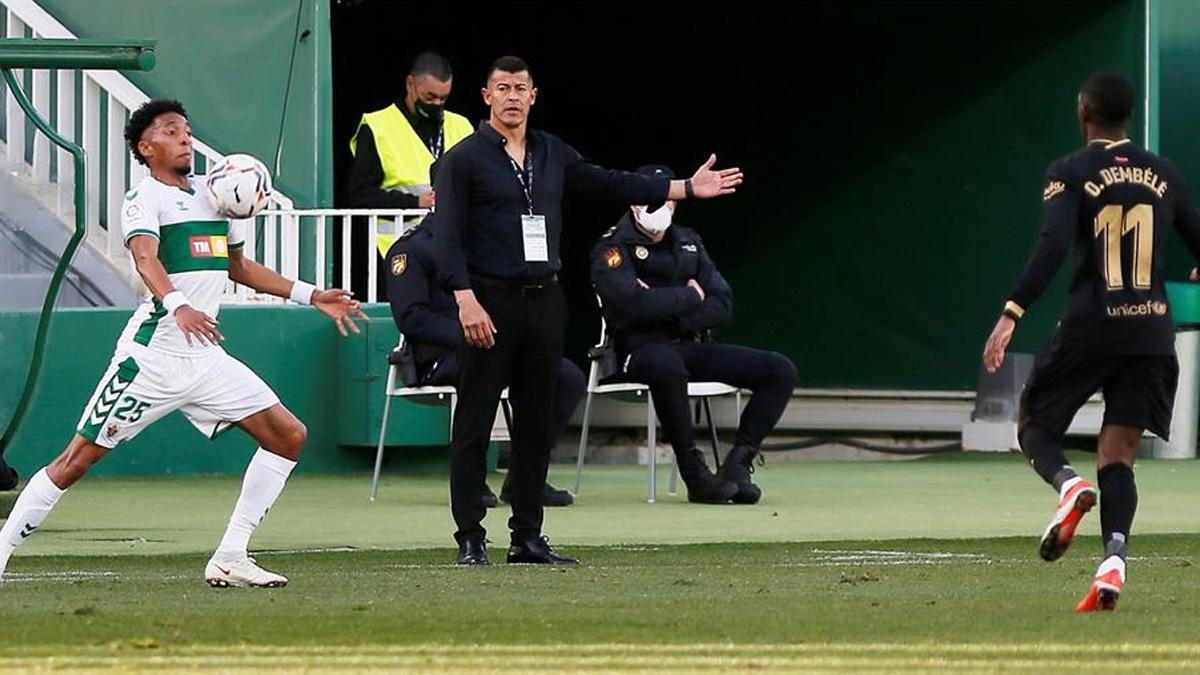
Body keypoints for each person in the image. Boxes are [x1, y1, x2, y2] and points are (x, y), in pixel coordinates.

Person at [0, 99, 367, 587]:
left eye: (187, 131)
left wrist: (313, 294)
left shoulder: (216, 198)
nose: (185, 139)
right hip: (151, 358)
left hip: (205, 358)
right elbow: (145, 259)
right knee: (76, 461)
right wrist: (179, 305)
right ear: (146, 147)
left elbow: (240, 269)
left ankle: (231, 555)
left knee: (288, 435)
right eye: (172, 132)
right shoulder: (145, 197)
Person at [433, 56, 743, 566]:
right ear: (486, 96)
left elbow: (611, 183)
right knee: (475, 419)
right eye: (502, 88)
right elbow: (446, 236)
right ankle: (470, 535)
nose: (513, 96)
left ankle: (527, 536)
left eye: (522, 88)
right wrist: (464, 298)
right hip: (489, 299)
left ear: (534, 96)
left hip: (544, 297)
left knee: (536, 421)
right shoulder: (464, 160)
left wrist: (683, 188)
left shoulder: (551, 152)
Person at [982, 72, 1200, 612]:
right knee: (1119, 454)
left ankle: (1067, 486)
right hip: (1151, 331)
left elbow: (1054, 244)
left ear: (1084, 112)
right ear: (1129, 115)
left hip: (1091, 326)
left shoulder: (1070, 171)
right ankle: (1113, 564)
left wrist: (1012, 311)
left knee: (1033, 425)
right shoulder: (1163, 172)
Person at [591, 165, 797, 505]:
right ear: (633, 204)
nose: (659, 207)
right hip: (639, 350)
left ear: (675, 203)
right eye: (649, 198)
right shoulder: (611, 248)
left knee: (780, 369)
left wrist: (665, 308)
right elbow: (632, 305)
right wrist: (689, 296)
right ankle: (693, 472)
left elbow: (722, 304)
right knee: (667, 366)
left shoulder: (688, 242)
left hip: (690, 345)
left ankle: (738, 464)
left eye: (666, 200)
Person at [384, 217, 583, 507]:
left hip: (498, 345)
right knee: (484, 372)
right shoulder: (412, 249)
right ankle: (470, 484)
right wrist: (472, 335)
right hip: (442, 356)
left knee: (566, 376)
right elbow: (412, 318)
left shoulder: (488, 243)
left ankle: (525, 479)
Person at [348, 51, 474, 255]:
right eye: (430, 97)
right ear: (410, 84)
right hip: (397, 253)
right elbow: (361, 195)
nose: (436, 104)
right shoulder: (377, 126)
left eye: (443, 98)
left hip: (455, 252)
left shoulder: (462, 126)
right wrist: (415, 203)